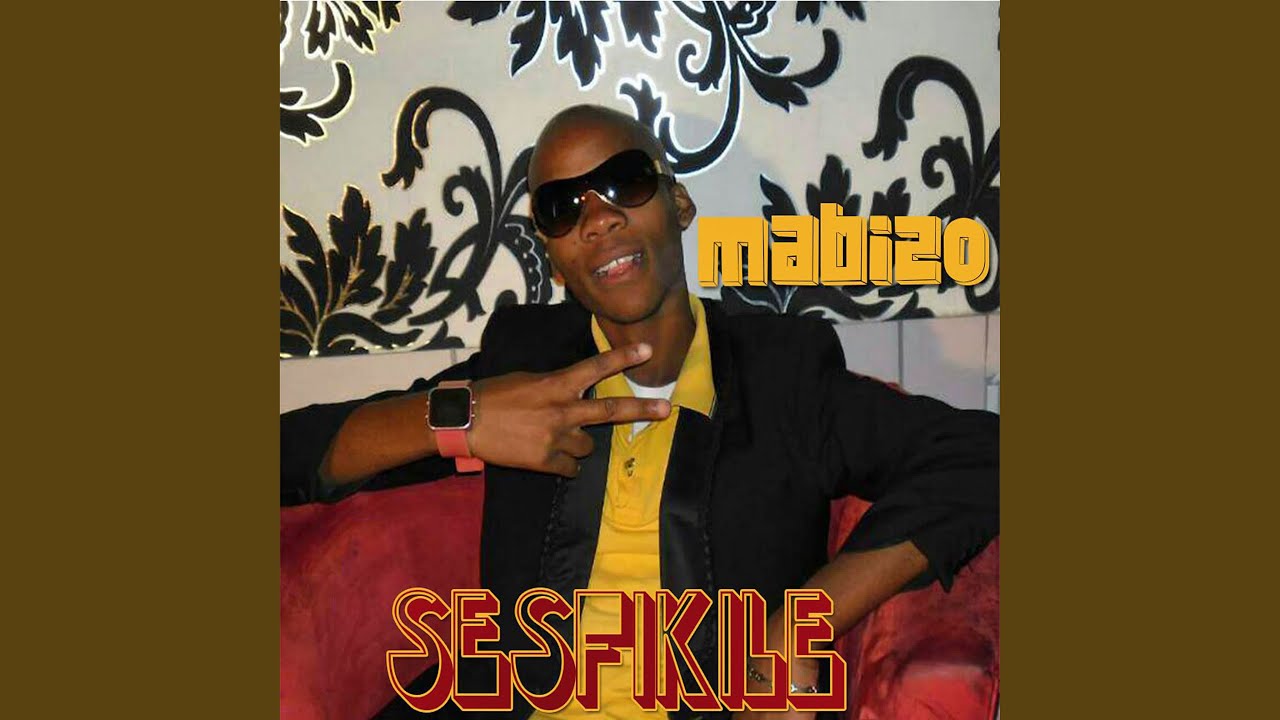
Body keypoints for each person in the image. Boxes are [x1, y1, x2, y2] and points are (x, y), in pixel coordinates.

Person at [281, 105, 999, 720]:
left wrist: (800, 621)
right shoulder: (523, 360)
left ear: (678, 204)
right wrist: (464, 418)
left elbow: (982, 455)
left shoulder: (781, 372)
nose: (598, 218)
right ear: (553, 257)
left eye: (623, 182)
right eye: (563, 208)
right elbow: (293, 455)